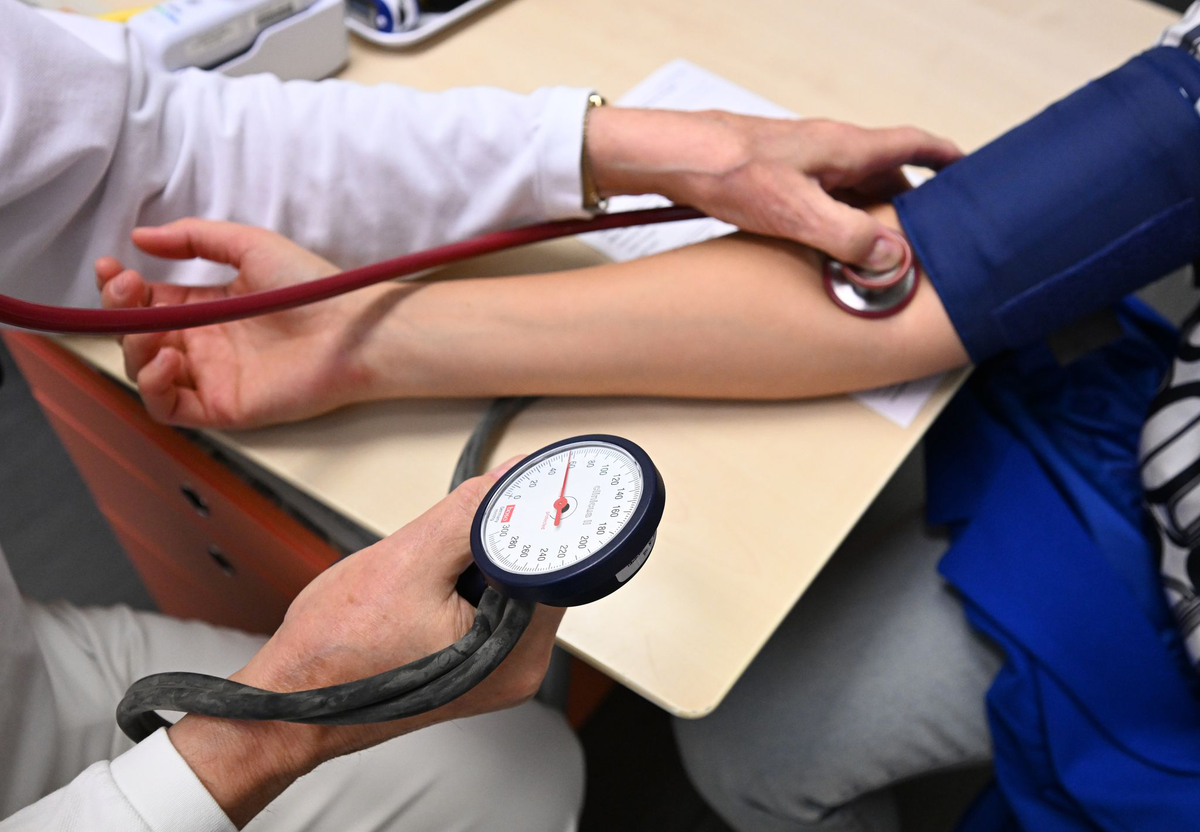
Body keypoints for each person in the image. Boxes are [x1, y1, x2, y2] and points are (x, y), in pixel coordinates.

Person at [94, 9, 1200, 832]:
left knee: (745, 751)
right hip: (1130, 454)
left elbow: (935, 284)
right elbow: (946, 271)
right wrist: (371, 341)